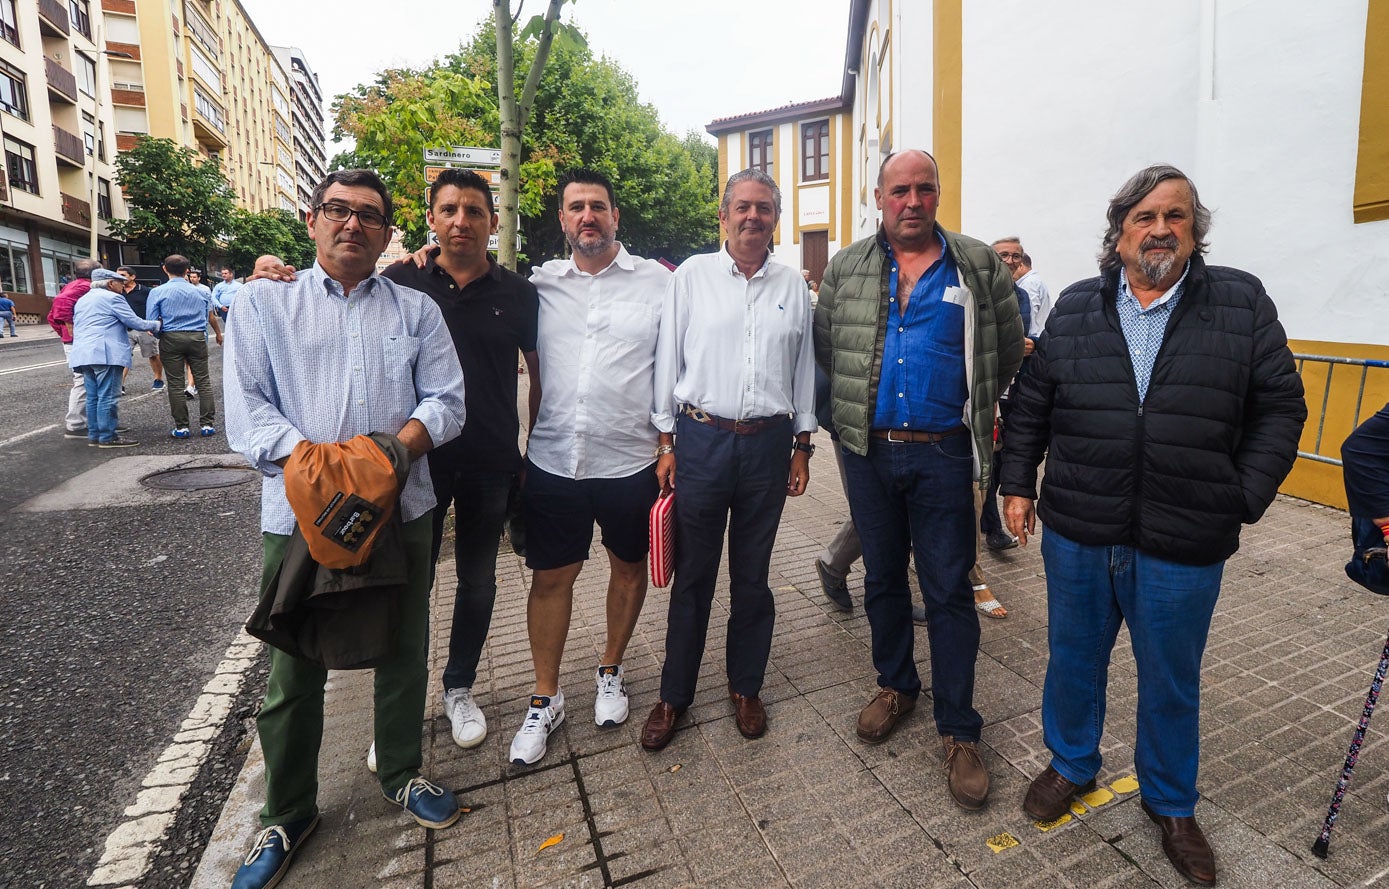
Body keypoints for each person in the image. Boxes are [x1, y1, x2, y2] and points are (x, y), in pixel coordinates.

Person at [1001, 164, 1306, 886]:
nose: (1160, 228)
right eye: (1144, 216)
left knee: (1170, 676)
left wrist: (1241, 493)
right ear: (1118, 233)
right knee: (1072, 656)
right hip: (1080, 527)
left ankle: (1170, 800)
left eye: (1175, 215)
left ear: (1194, 230)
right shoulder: (1075, 308)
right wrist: (1016, 482)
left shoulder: (1237, 302)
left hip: (1183, 537)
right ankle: (1071, 761)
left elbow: (1279, 407)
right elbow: (1031, 407)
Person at [223, 169, 468, 889]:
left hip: (402, 508)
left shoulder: (416, 312)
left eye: (368, 215)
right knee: (294, 661)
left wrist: (389, 455)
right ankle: (288, 808)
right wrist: (325, 471)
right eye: (338, 211)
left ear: (389, 232)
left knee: (403, 644)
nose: (352, 225)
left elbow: (447, 401)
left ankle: (399, 770)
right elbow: (249, 412)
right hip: (298, 515)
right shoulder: (264, 305)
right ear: (311, 220)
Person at [814, 149, 1024, 811]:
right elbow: (826, 350)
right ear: (878, 196)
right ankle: (895, 684)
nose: (911, 200)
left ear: (937, 195)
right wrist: (840, 423)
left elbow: (1005, 341)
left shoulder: (975, 263)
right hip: (867, 453)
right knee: (879, 576)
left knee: (949, 589)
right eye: (899, 189)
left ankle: (959, 728)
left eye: (923, 189)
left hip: (941, 452)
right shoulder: (846, 267)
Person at [641, 168, 816, 752]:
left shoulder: (793, 286)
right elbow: (668, 360)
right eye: (742, 207)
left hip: (768, 446)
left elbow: (803, 368)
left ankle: (746, 686)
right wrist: (665, 441)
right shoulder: (692, 276)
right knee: (694, 574)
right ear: (723, 215)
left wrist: (803, 444)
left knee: (753, 575)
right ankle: (674, 695)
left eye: (764, 208)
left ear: (775, 219)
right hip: (702, 441)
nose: (752, 217)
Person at [507, 168, 670, 765]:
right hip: (553, 459)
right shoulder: (539, 286)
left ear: (615, 216)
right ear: (563, 219)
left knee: (627, 570)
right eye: (576, 207)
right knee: (552, 579)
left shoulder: (658, 284)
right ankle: (544, 697)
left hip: (630, 462)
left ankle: (611, 669)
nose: (588, 217)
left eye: (598, 206)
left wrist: (668, 444)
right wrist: (422, 259)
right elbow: (466, 284)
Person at [385, 167, 540, 755]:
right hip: (415, 460)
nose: (461, 221)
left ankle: (459, 687)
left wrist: (531, 447)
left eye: (474, 211)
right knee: (410, 582)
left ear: (493, 222)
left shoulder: (518, 292)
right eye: (449, 210)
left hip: (490, 459)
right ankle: (400, 702)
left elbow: (536, 371)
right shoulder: (401, 282)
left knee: (477, 581)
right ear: (431, 218)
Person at [67, 269, 160, 448]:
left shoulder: (82, 300)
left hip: (84, 354)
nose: (123, 287)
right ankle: (108, 436)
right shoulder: (113, 298)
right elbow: (134, 322)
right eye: (120, 283)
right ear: (110, 283)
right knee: (108, 395)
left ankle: (95, 434)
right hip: (105, 353)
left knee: (93, 396)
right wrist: (158, 324)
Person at [147, 255, 222, 438]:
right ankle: (207, 424)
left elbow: (151, 322)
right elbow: (207, 316)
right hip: (197, 336)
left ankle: (182, 427)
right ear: (187, 270)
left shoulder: (157, 292)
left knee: (175, 383)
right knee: (203, 381)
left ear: (165, 268)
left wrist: (160, 334)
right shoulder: (202, 292)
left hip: (171, 336)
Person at [48, 259, 99, 439]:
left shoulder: (71, 286)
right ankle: (76, 424)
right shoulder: (84, 287)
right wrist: (71, 330)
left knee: (89, 380)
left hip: (76, 340)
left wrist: (64, 332)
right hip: (80, 341)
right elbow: (59, 308)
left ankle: (91, 421)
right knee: (84, 381)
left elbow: (52, 317)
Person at [117, 266, 165, 390]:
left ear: (132, 277)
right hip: (124, 329)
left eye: (123, 275)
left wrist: (153, 324)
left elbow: (155, 307)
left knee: (153, 355)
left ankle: (158, 379)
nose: (119, 277)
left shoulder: (145, 291)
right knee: (123, 356)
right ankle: (119, 384)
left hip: (145, 328)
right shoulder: (116, 291)